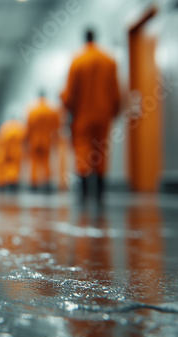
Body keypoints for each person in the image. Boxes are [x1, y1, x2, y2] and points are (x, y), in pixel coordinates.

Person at [61, 29, 120, 205]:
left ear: (84, 39)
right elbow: (116, 91)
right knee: (101, 149)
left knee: (83, 149)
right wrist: (114, 110)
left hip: (83, 115)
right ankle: (101, 188)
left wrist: (66, 104)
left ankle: (85, 189)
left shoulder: (78, 61)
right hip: (104, 113)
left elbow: (70, 94)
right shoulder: (109, 61)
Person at [25, 92, 61, 191]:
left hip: (35, 140)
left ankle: (34, 184)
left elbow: (28, 127)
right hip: (46, 139)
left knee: (34, 162)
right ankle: (47, 183)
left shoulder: (32, 110)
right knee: (46, 162)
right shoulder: (51, 110)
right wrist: (55, 140)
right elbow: (56, 126)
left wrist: (27, 141)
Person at [0, 120, 25, 190]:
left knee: (7, 168)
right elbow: (24, 139)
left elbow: (1, 141)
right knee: (15, 168)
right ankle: (13, 183)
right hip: (16, 151)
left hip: (7, 151)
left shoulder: (5, 128)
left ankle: (8, 183)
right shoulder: (19, 129)